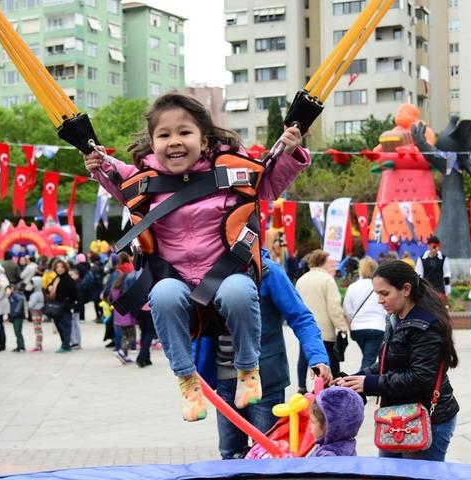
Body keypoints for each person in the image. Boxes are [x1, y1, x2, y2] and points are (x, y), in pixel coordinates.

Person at [85, 93, 307, 422]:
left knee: (238, 290)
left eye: (184, 133)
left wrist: (290, 150)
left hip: (226, 275)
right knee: (161, 294)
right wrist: (98, 164)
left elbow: (269, 180)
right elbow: (118, 179)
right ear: (153, 142)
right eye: (164, 135)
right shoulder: (145, 181)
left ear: (204, 141)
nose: (174, 141)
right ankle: (187, 380)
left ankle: (248, 368)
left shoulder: (232, 173)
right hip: (176, 281)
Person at [336, 260, 459, 462]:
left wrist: (369, 384)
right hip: (396, 416)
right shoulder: (396, 318)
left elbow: (421, 379)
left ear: (406, 289)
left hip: (427, 419)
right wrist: (354, 380)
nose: (379, 301)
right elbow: (386, 364)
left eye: (385, 294)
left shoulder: (426, 325)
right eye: (377, 294)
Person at [211, 254, 330, 460]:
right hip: (225, 379)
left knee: (268, 453)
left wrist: (318, 357)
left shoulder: (267, 271)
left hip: (265, 380)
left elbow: (301, 317)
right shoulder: (205, 269)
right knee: (230, 454)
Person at [295, 250, 349, 391]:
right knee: (329, 359)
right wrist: (342, 326)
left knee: (303, 357)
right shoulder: (327, 280)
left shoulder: (302, 279)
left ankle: (301, 385)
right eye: (329, 262)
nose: (331, 265)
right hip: (325, 328)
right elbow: (334, 307)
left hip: (304, 327)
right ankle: (329, 387)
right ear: (323, 262)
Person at [343, 258, 387, 370]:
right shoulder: (379, 287)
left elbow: (346, 310)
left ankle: (362, 382)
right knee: (369, 359)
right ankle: (361, 385)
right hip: (377, 327)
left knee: (368, 357)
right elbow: (386, 310)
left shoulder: (352, 287)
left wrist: (350, 327)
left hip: (357, 328)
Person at [309, 386, 364, 457]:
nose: (310, 426)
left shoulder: (328, 455)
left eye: (313, 422)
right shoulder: (346, 443)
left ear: (327, 426)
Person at [45, 258, 78, 353]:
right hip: (56, 307)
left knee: (65, 327)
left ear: (65, 268)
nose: (59, 269)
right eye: (57, 267)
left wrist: (71, 304)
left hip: (65, 307)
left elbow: (74, 294)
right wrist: (49, 288)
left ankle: (66, 345)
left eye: (61, 267)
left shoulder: (68, 279)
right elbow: (48, 288)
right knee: (59, 327)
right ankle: (64, 344)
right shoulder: (56, 278)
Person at [109, 266, 137, 364]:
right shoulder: (125, 289)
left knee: (125, 335)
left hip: (118, 316)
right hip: (127, 316)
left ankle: (124, 355)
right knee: (131, 336)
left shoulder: (115, 288)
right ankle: (122, 351)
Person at [415, 235, 451, 301]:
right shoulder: (421, 259)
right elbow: (419, 275)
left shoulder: (443, 258)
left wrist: (448, 289)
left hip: (440, 289)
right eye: (434, 247)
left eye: (438, 247)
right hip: (426, 290)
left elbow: (446, 275)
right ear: (428, 246)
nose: (436, 249)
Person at [27, 275, 44, 352]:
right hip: (39, 311)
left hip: (35, 312)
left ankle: (38, 345)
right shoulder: (40, 292)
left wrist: (28, 302)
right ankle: (39, 345)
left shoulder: (36, 294)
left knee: (37, 329)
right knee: (38, 328)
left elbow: (31, 304)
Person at [9, 283, 27, 352]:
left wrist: (16, 311)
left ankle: (22, 347)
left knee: (18, 332)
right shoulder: (12, 296)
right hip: (15, 316)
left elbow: (21, 300)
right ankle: (19, 346)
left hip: (18, 316)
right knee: (16, 332)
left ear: (12, 289)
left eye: (7, 289)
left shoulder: (15, 295)